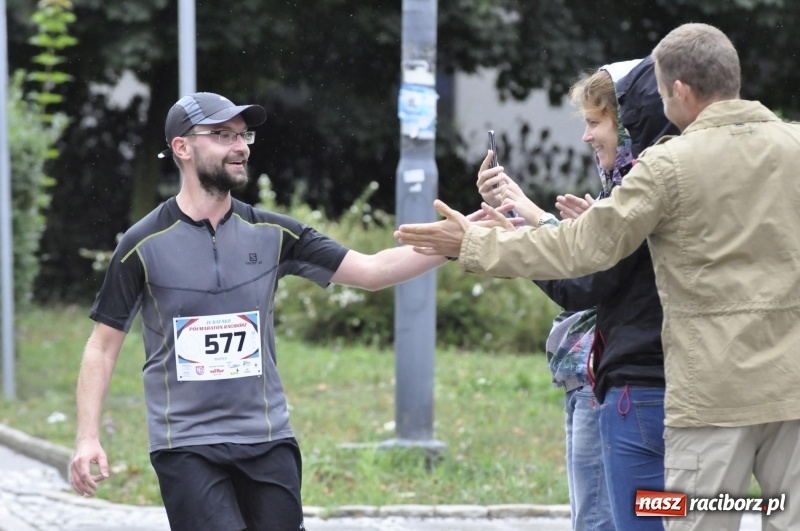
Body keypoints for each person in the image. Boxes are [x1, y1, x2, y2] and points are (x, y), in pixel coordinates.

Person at [396, 23, 800, 531]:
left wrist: (475, 242)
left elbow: (582, 249)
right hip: (791, 392)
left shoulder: (666, 164)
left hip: (711, 397)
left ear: (679, 91)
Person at [68, 91, 458, 531]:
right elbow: (101, 348)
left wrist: (462, 242)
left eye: (242, 135)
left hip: (267, 438)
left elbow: (372, 270)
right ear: (182, 147)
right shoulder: (140, 245)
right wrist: (87, 438)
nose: (240, 146)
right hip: (186, 444)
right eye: (222, 135)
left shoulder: (273, 232)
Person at [478, 57, 677, 530]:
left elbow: (584, 281)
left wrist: (513, 240)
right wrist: (547, 220)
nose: (586, 136)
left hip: (633, 390)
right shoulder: (637, 187)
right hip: (621, 382)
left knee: (610, 520)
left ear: (631, 124)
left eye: (595, 122)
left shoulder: (642, 190)